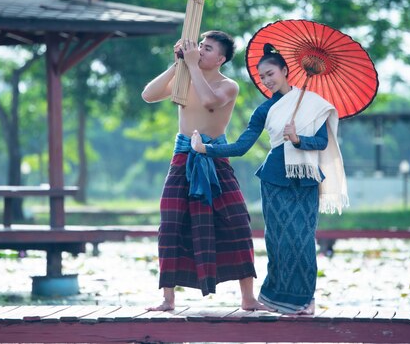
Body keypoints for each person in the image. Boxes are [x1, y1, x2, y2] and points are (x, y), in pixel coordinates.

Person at [191, 43, 349, 315]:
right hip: (274, 180)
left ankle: (306, 300)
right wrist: (206, 150)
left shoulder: (314, 104)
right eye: (262, 76)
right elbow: (241, 146)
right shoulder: (264, 110)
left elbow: (322, 142)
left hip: (306, 181)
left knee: (302, 239)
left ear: (285, 70)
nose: (266, 80)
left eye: (270, 73)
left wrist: (299, 139)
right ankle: (277, 298)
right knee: (277, 241)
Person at [141, 30, 266, 312]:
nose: (199, 50)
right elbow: (148, 95)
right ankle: (167, 299)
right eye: (200, 46)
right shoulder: (184, 77)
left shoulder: (228, 85)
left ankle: (248, 298)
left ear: (220, 58)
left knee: (236, 221)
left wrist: (193, 66)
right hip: (183, 154)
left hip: (215, 155)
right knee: (171, 223)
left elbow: (210, 101)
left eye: (207, 49)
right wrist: (178, 64)